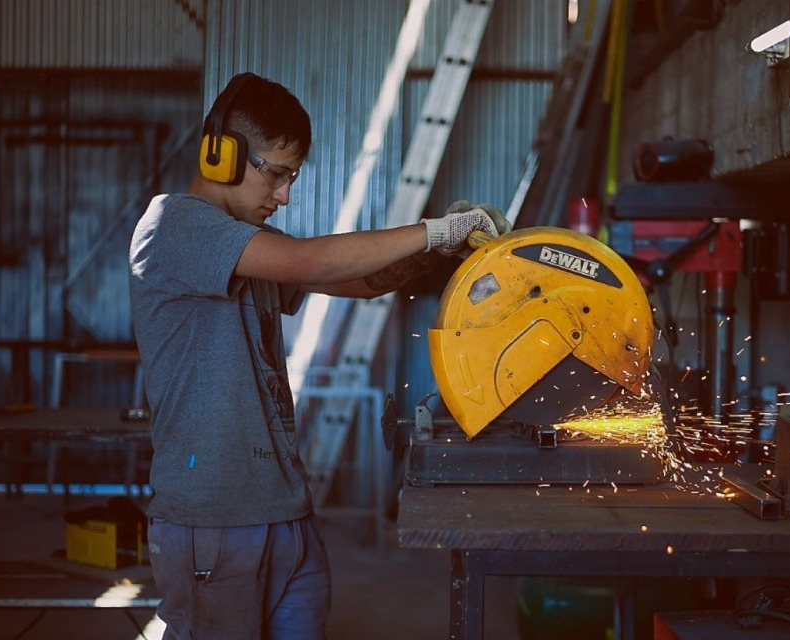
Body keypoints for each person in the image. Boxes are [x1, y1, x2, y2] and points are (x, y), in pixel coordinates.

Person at [128, 71, 509, 639]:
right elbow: (309, 261)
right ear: (220, 155)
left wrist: (437, 250)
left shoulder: (248, 247)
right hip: (213, 520)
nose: (284, 195)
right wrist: (433, 230)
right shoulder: (174, 225)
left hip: (285, 511)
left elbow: (360, 282)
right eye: (276, 174)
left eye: (293, 177)